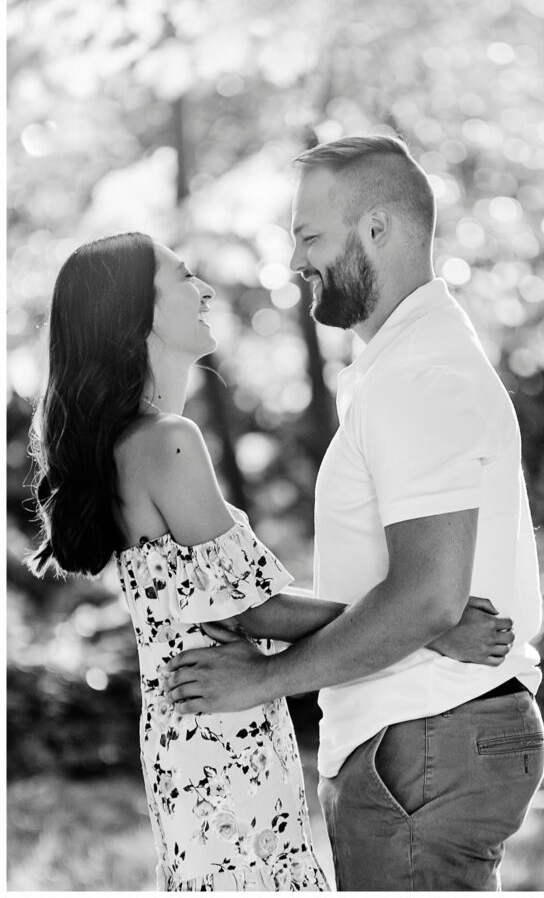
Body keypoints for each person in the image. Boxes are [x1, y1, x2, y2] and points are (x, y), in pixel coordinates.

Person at [27, 230, 511, 892]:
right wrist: (435, 627)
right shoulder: (168, 442)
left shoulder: (126, 445)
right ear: (134, 314)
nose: (202, 290)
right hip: (223, 742)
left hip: (189, 738)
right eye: (181, 278)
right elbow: (262, 609)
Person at [165, 135, 544, 891]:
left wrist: (263, 681)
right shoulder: (400, 367)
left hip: (425, 742)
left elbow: (427, 597)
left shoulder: (421, 375)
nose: (296, 260)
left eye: (310, 235)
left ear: (377, 230)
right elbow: (424, 600)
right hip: (427, 737)